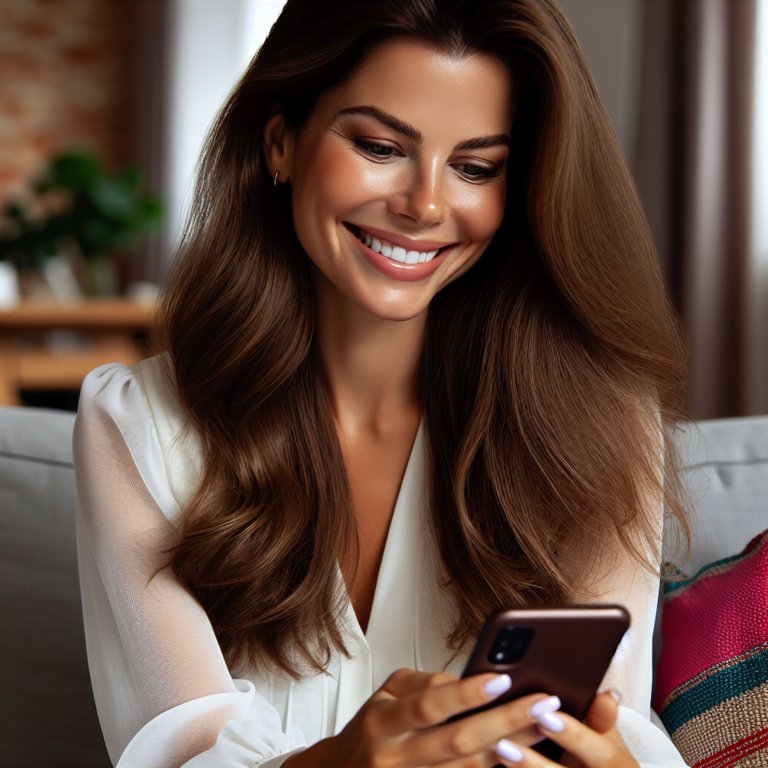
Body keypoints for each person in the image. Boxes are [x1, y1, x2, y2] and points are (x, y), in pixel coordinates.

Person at [73, 0, 691, 765]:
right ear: (280, 143)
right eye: (379, 146)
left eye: (475, 168)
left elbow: (615, 715)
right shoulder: (134, 425)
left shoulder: (602, 423)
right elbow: (175, 742)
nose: (425, 204)